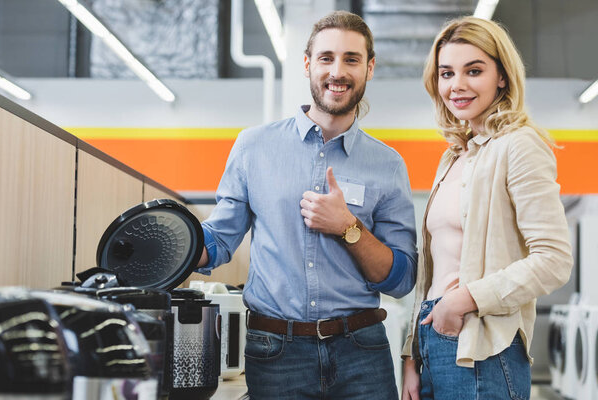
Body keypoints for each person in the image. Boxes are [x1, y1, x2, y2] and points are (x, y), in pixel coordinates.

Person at [195, 10, 417, 400]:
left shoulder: (388, 164)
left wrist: (349, 227)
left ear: (369, 67)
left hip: (361, 351)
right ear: (307, 64)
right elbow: (218, 240)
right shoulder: (254, 147)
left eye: (351, 59)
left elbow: (401, 278)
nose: (338, 71)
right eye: (326, 58)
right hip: (276, 352)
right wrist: (170, 246)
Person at [401, 16, 573, 400]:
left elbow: (554, 259)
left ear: (502, 77)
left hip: (484, 345)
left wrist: (463, 299)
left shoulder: (519, 145)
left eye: (473, 70)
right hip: (435, 338)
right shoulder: (454, 156)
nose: (456, 85)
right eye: (447, 73)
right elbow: (436, 267)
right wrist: (413, 352)